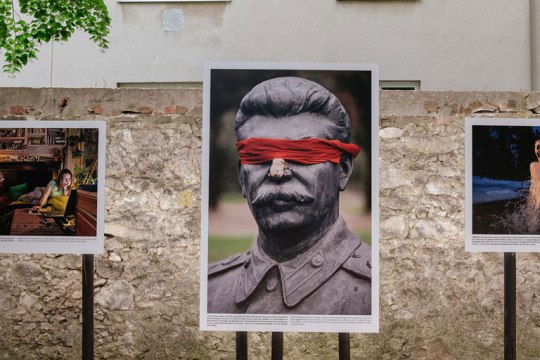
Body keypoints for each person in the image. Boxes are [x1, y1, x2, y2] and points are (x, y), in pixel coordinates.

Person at [207, 77, 371, 315]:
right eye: (259, 155)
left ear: (343, 170)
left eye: (303, 153)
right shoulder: (210, 291)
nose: (277, 172)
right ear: (242, 177)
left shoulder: (379, 291)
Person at [529, 139, 540, 209]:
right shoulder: (533, 166)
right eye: (536, 147)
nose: (538, 149)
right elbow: (532, 187)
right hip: (537, 209)